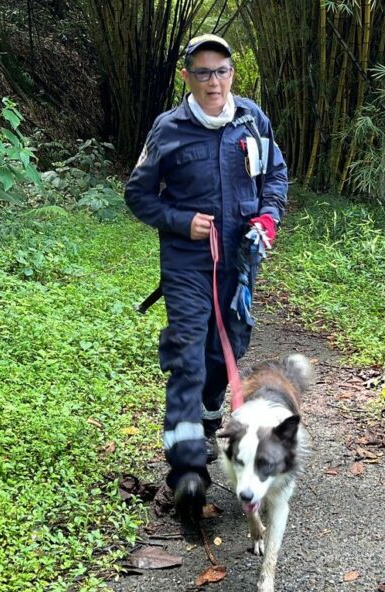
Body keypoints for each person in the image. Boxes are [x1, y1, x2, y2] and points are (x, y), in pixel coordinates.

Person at [124, 34, 288, 518]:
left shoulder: (251, 120)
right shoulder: (168, 129)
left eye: (221, 72)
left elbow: (275, 177)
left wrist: (267, 219)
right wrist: (180, 222)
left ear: (232, 73)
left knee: (228, 352)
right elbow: (138, 195)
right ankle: (187, 472)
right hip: (186, 266)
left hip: (239, 263)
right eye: (202, 73)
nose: (213, 82)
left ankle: (208, 413)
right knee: (188, 360)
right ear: (187, 77)